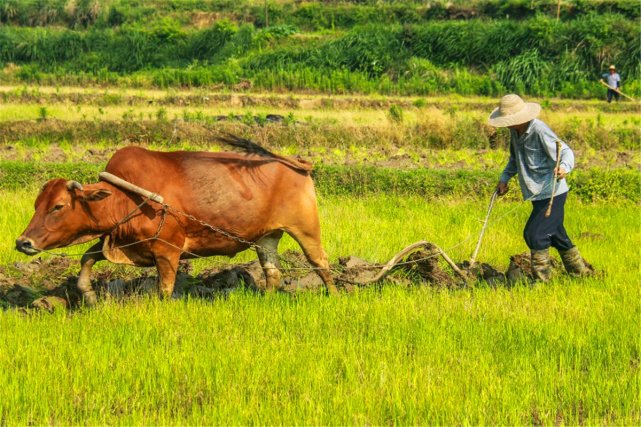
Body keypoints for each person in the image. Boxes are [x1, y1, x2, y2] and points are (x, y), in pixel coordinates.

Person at [488, 94, 592, 282]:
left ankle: (542, 281)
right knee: (557, 235)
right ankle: (581, 274)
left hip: (552, 192)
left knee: (534, 234)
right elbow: (515, 159)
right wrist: (504, 179)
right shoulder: (515, 132)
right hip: (535, 194)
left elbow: (566, 151)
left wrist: (564, 167)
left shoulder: (539, 130)